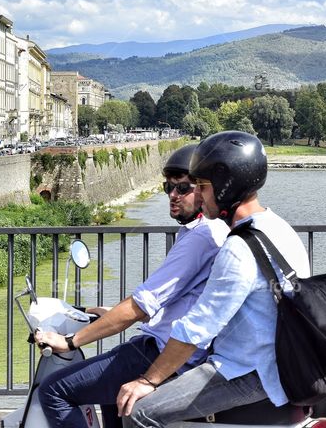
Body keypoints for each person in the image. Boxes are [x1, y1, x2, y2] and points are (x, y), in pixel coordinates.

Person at [116, 130, 310, 427]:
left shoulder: (239, 247)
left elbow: (199, 327)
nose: (199, 194)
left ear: (226, 186)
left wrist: (147, 380)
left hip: (246, 372)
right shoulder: (277, 227)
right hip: (280, 363)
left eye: (203, 186)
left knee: (138, 410)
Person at [36, 144, 229, 428]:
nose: (173, 196)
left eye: (183, 188)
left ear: (204, 190)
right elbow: (174, 298)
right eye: (169, 188)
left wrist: (68, 342)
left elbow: (141, 305)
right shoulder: (199, 232)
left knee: (54, 390)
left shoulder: (202, 237)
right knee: (109, 392)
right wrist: (106, 311)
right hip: (160, 344)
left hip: (161, 351)